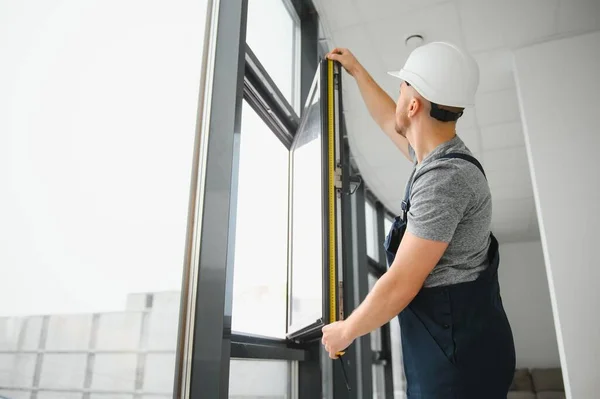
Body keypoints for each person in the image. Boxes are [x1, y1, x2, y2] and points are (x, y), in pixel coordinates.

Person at [321, 42, 516, 398]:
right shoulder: (436, 160)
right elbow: (387, 120)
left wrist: (345, 330)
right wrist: (357, 70)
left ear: (412, 106)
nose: (397, 99)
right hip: (455, 347)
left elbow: (401, 284)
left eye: (402, 89)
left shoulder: (445, 178)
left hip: (459, 365)